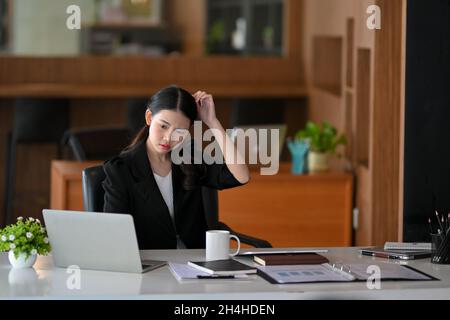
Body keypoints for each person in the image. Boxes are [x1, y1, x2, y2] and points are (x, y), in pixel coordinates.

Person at [102, 85, 250, 249]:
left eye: (180, 131)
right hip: (152, 264)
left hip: (195, 263)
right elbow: (114, 234)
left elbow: (241, 176)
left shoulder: (190, 156)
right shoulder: (120, 169)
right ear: (149, 117)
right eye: (163, 126)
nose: (168, 138)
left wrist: (212, 122)